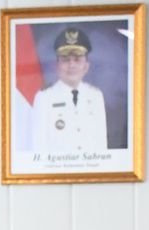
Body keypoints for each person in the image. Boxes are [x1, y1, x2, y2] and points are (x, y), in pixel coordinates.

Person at [33, 26, 108, 155]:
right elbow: (38, 148)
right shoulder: (44, 97)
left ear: (86, 66)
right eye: (65, 60)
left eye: (77, 59)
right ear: (57, 65)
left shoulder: (96, 96)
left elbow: (102, 146)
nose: (71, 65)